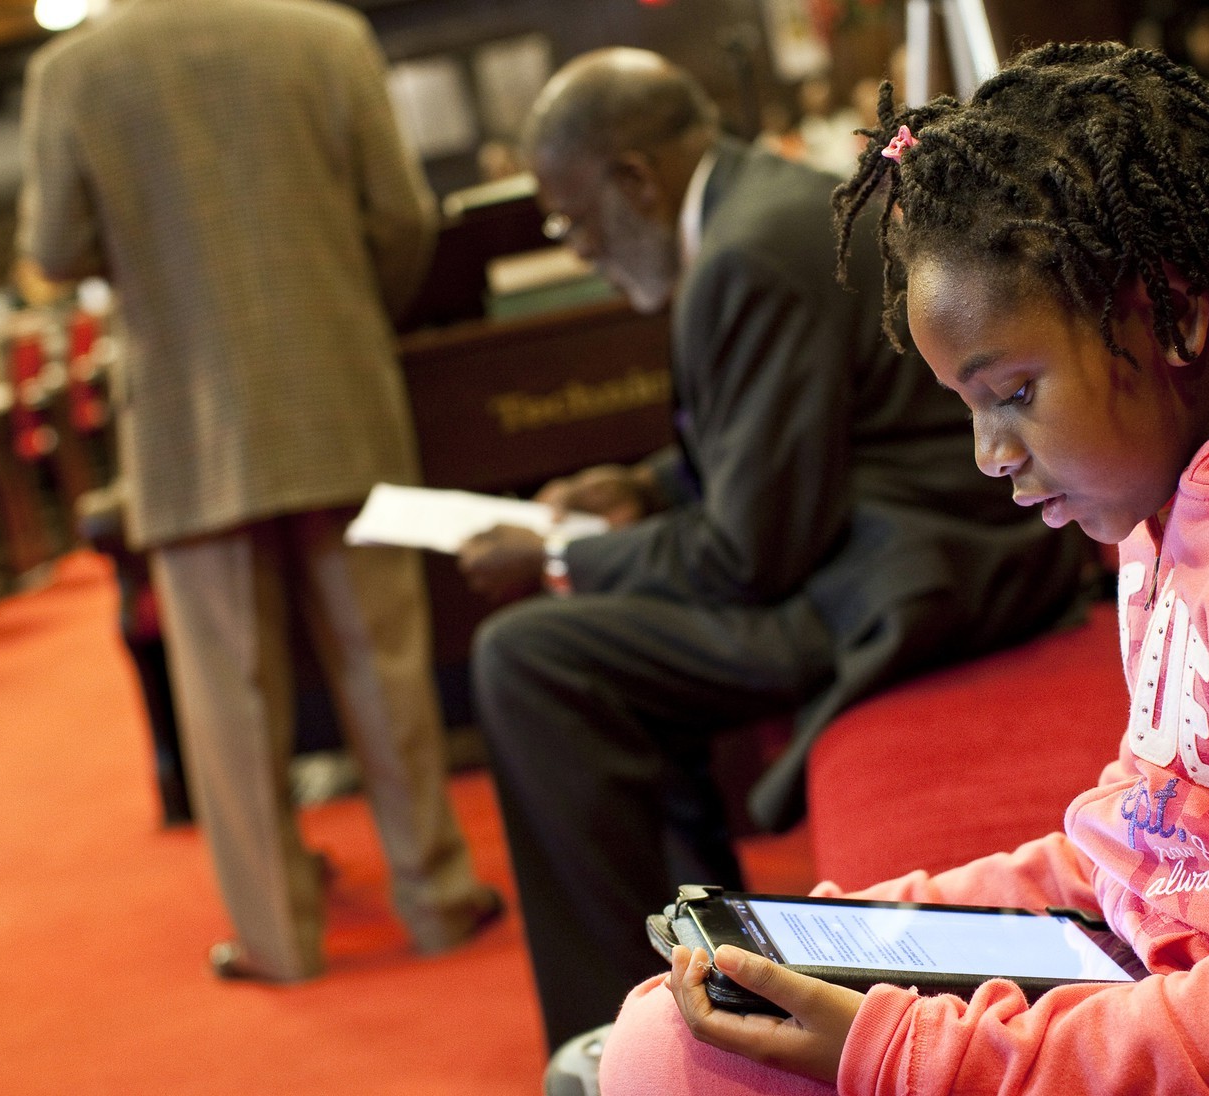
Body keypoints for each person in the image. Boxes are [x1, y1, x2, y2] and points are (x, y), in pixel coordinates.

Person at [599, 43, 1209, 1095]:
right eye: (968, 406)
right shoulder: (1170, 507)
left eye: (1013, 393)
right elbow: (1146, 845)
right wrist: (873, 929)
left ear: (1169, 315)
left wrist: (901, 1048)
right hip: (1190, 990)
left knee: (681, 1061)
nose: (989, 452)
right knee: (685, 1031)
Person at [457, 48, 1087, 1053]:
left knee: (531, 656)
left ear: (631, 180)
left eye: (570, 220)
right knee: (571, 654)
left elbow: (746, 553)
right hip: (917, 547)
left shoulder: (745, 254)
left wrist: (559, 556)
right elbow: (785, 444)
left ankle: (606, 1034)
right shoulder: (770, 202)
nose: (573, 248)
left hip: (913, 581)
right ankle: (683, 970)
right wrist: (644, 488)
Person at [17, 0, 502, 983]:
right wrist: (348, 310)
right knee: (386, 665)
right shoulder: (324, 35)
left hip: (187, 419)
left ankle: (278, 937)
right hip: (335, 386)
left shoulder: (74, 72)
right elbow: (405, 220)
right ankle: (436, 897)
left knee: (229, 697)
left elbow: (57, 250)